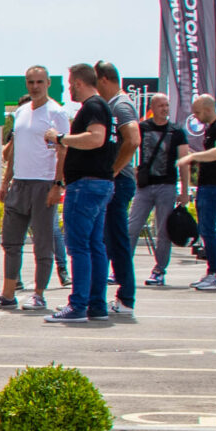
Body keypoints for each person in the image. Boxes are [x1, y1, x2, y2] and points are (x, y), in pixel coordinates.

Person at [0, 65, 68, 311]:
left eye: (39, 82)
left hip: (43, 184)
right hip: (19, 184)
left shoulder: (57, 112)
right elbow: (13, 151)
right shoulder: (20, 112)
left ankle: (39, 295)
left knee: (43, 243)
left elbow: (63, 150)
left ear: (48, 83)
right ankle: (8, 294)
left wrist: (57, 185)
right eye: (31, 82)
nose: (35, 87)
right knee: (10, 242)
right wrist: (5, 182)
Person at [48, 64, 116, 325]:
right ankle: (96, 304)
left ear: (77, 83)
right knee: (94, 246)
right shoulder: (100, 106)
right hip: (98, 184)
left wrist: (61, 138)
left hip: (86, 186)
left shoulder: (93, 107)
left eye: (69, 84)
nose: (68, 89)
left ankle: (78, 304)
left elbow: (96, 138)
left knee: (78, 247)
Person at [92, 62, 141, 320]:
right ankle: (120, 295)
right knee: (109, 240)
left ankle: (126, 297)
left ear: (103, 80)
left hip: (118, 182)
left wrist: (112, 171)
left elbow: (133, 139)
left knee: (116, 239)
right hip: (118, 181)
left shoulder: (120, 105)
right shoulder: (116, 104)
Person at [179, 92, 216, 290]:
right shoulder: (213, 128)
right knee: (206, 230)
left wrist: (193, 158)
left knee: (208, 230)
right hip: (208, 185)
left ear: (208, 109)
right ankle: (212, 273)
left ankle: (215, 275)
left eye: (197, 112)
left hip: (215, 185)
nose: (195, 117)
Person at [131, 92, 185, 287]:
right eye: (161, 105)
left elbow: (184, 161)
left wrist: (184, 190)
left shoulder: (176, 131)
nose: (165, 108)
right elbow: (130, 147)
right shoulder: (142, 128)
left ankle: (159, 270)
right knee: (132, 227)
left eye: (167, 105)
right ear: (152, 108)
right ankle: (121, 269)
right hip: (145, 186)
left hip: (167, 185)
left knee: (163, 231)